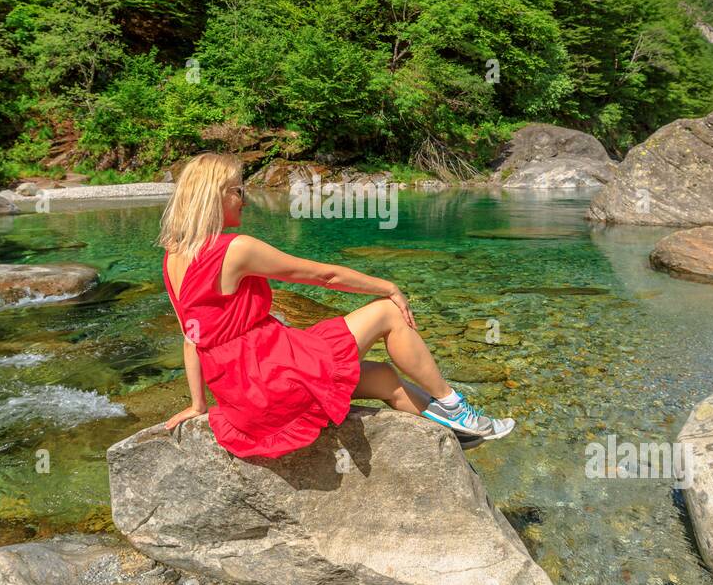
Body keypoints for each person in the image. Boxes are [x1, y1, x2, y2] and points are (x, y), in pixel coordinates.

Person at [157, 152, 515, 459]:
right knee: (388, 312)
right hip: (269, 375)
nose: (244, 200)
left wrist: (199, 405)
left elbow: (191, 339)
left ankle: (459, 435)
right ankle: (454, 405)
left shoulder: (173, 257)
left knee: (383, 378)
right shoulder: (235, 249)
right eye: (237, 190)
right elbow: (324, 276)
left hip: (244, 395)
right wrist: (389, 286)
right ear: (214, 195)